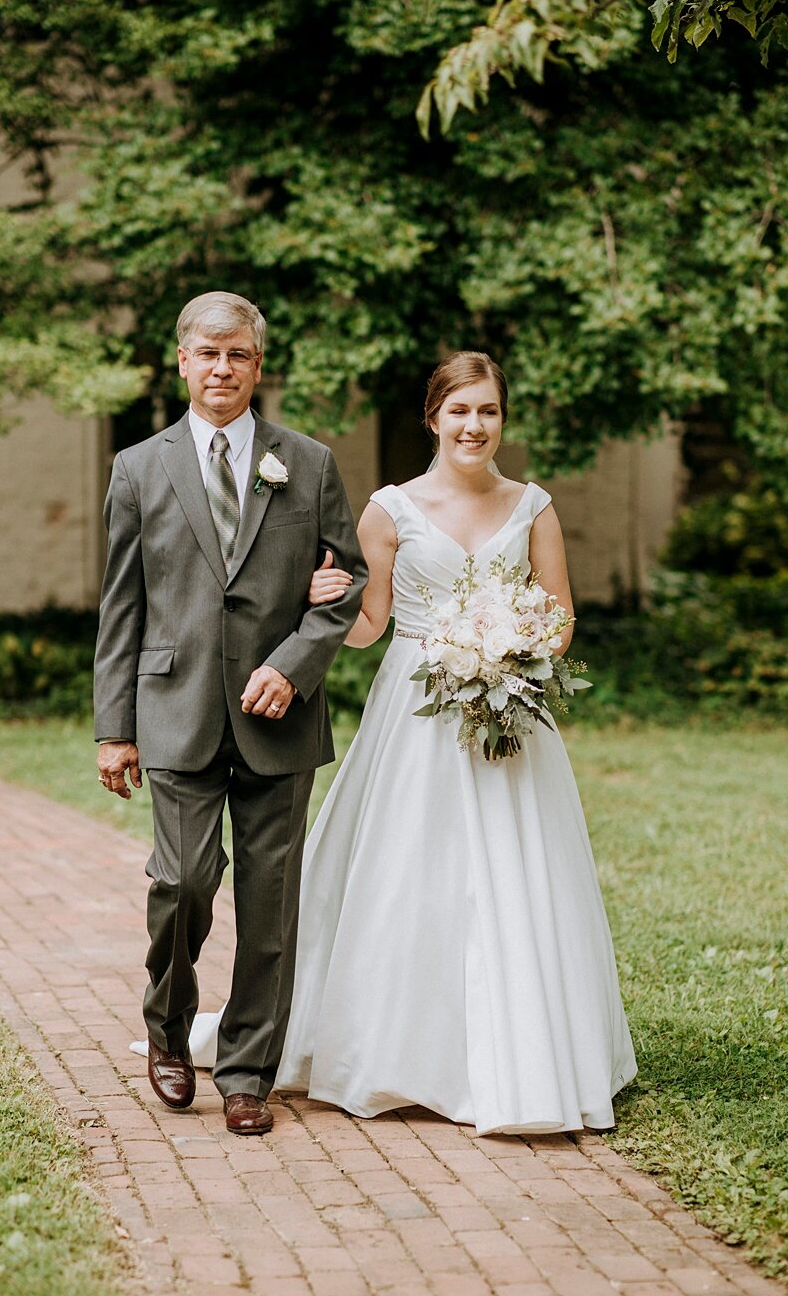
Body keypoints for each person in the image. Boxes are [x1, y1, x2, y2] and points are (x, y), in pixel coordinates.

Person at [173, 350, 636, 1136]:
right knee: (407, 872)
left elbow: (559, 619)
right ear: (433, 419)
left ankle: (523, 1053)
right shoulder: (390, 510)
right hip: (416, 713)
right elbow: (365, 628)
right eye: (460, 411)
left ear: (501, 419)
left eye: (488, 411)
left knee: (515, 877)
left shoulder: (534, 506)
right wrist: (320, 594)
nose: (474, 426)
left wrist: (513, 647)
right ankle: (391, 1052)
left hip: (508, 715)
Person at [94, 291, 367, 1135]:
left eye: (238, 356)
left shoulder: (309, 463)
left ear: (257, 365)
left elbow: (344, 581)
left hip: (279, 719)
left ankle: (248, 1071)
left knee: (269, 901)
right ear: (182, 361)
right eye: (208, 354)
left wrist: (293, 666)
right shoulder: (139, 468)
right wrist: (114, 726)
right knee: (182, 881)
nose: (223, 370)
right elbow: (122, 604)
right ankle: (167, 1035)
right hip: (173, 710)